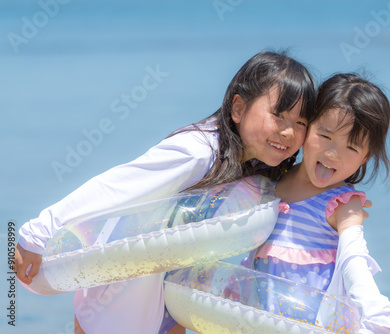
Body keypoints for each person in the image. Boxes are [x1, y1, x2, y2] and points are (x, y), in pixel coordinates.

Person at [13, 50, 318, 334]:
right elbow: (116, 186)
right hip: (119, 301)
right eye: (279, 115)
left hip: (168, 300)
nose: (289, 132)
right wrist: (38, 234)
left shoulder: (251, 166)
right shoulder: (197, 153)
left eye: (300, 122)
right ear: (238, 108)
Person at [249, 73, 390, 333]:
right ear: (306, 129)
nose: (333, 154)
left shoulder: (342, 203)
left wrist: (374, 308)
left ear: (365, 158)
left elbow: (353, 255)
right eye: (325, 136)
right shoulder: (271, 180)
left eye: (351, 148)